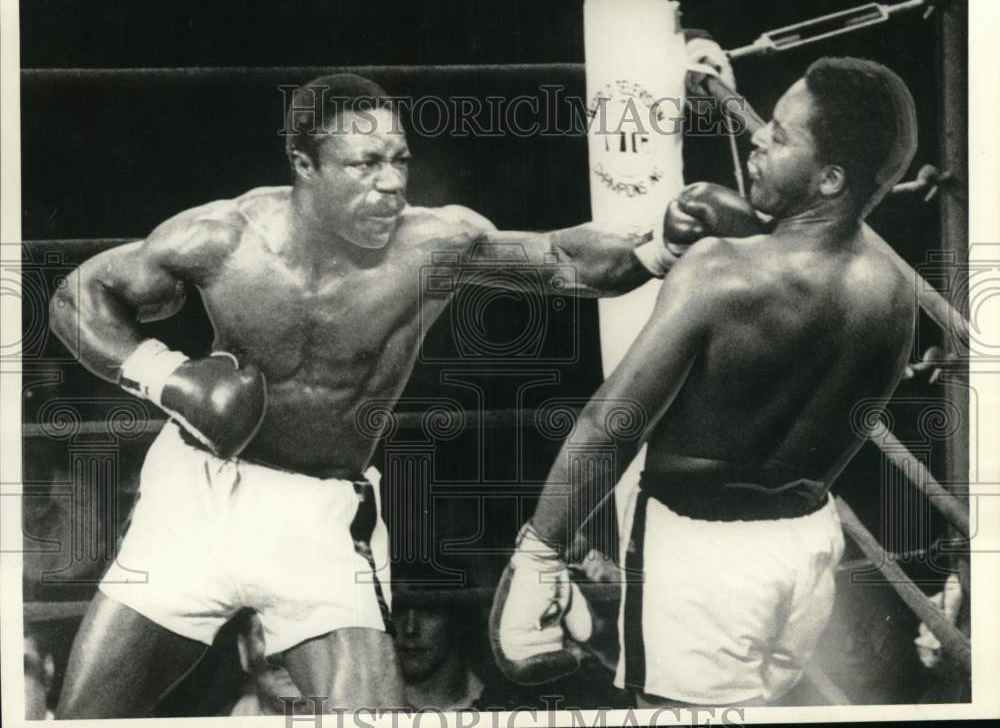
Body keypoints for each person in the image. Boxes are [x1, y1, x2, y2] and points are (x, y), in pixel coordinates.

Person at [48, 46, 758, 716]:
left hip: (318, 518)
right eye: (363, 164)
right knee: (85, 718)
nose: (390, 183)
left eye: (399, 161)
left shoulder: (433, 246)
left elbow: (561, 260)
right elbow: (78, 296)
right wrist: (164, 376)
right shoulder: (222, 238)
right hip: (193, 500)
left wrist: (661, 247)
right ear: (304, 163)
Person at [491, 57, 919, 707]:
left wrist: (539, 553)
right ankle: (612, 626)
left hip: (699, 560)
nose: (755, 139)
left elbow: (613, 425)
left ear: (830, 178)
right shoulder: (895, 292)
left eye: (779, 136)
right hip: (805, 553)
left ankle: (612, 623)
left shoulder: (721, 273)